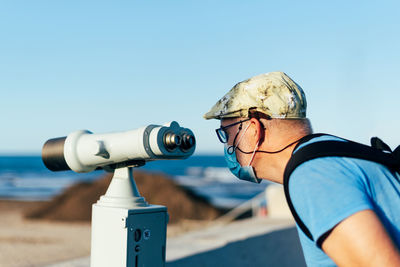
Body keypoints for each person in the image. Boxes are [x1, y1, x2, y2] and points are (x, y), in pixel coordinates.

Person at [203, 71, 400, 267]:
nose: (227, 144)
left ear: (254, 129)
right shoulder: (328, 150)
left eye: (226, 133)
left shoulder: (311, 176)